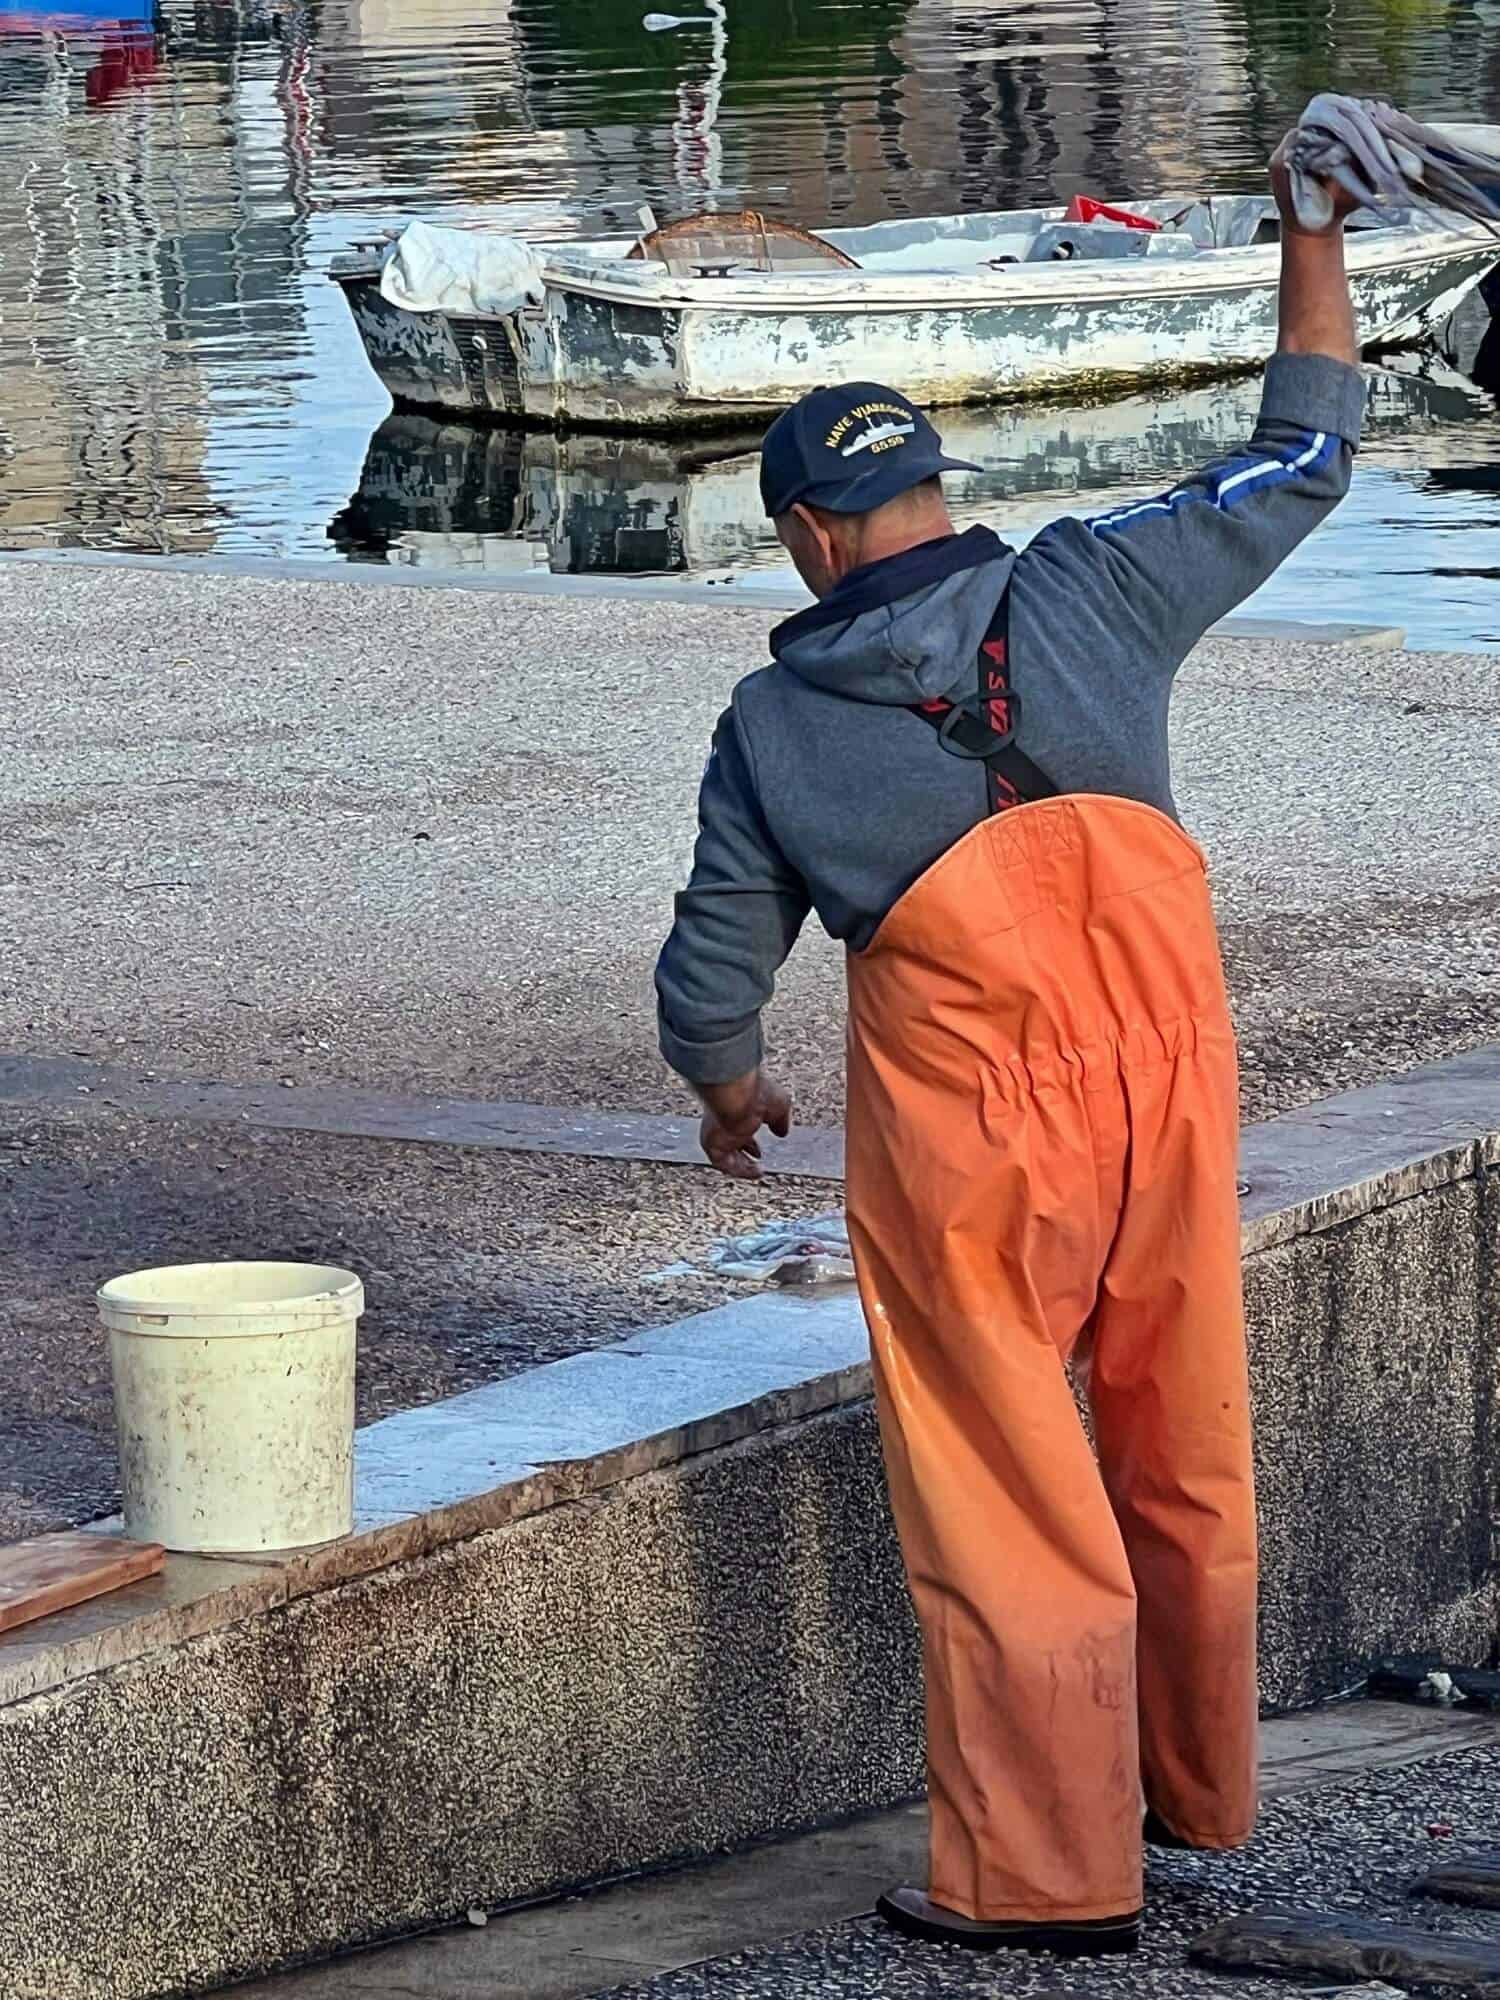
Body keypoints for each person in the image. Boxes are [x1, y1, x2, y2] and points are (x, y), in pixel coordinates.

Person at [654, 138, 1365, 1956]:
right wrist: (1308, 235)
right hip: (1164, 1076)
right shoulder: (1093, 583)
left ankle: (1047, 1883)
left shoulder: (771, 720)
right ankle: (1196, 1795)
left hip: (973, 1129)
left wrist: (733, 1094)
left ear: (807, 534)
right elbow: (1304, 454)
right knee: (1180, 1436)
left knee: (1004, 1486)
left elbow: (715, 966)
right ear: (934, 491)